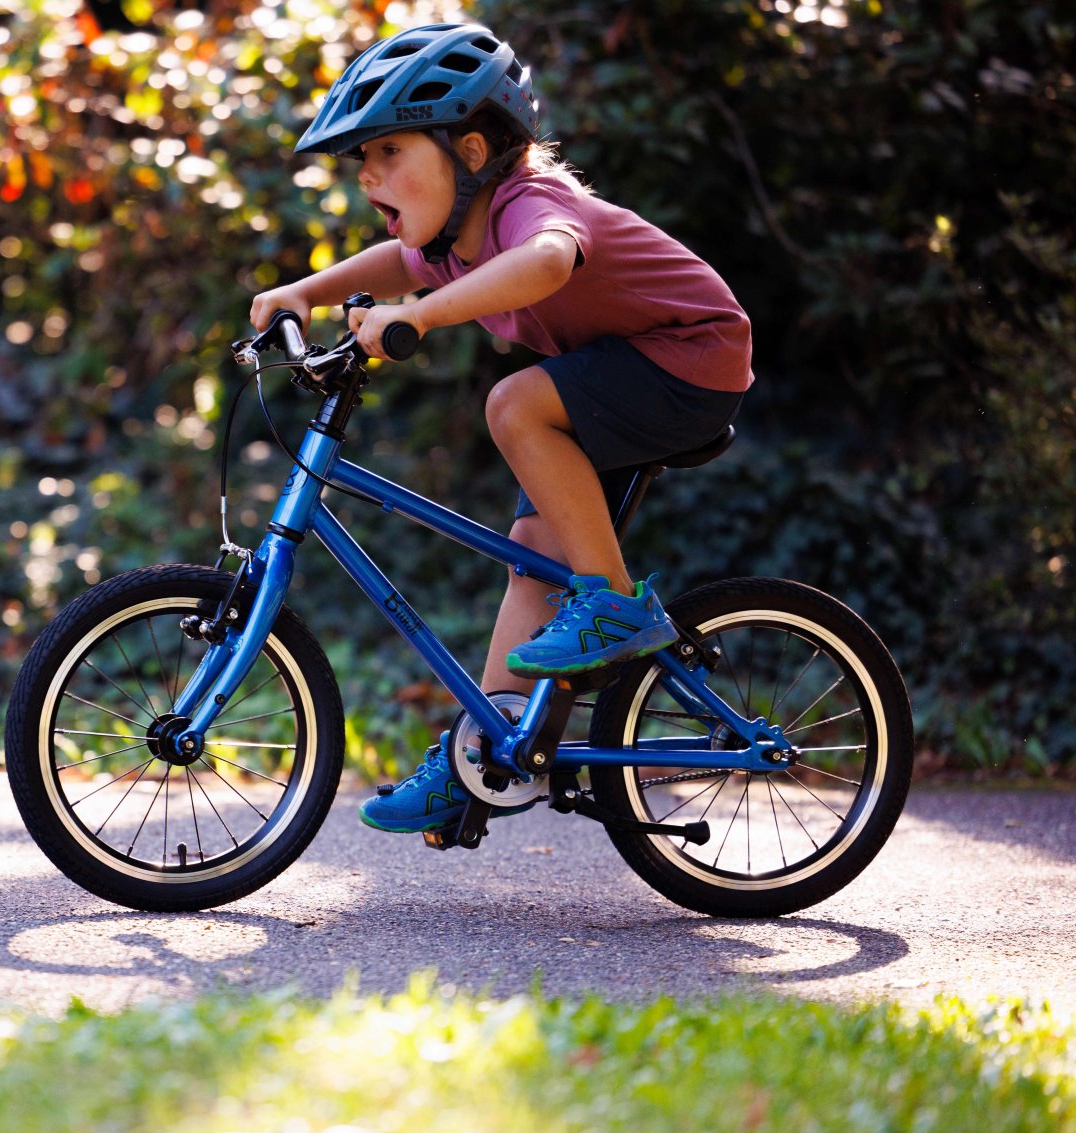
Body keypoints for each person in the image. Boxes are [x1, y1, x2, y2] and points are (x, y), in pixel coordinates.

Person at [247, 22, 753, 835]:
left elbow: (551, 260)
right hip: (611, 377)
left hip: (689, 358)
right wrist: (302, 292)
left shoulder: (529, 205)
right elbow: (398, 265)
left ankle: (615, 603)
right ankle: (482, 757)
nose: (369, 177)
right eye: (362, 162)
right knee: (531, 564)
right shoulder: (453, 238)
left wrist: (419, 319)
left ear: (472, 151)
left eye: (388, 153)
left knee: (514, 404)